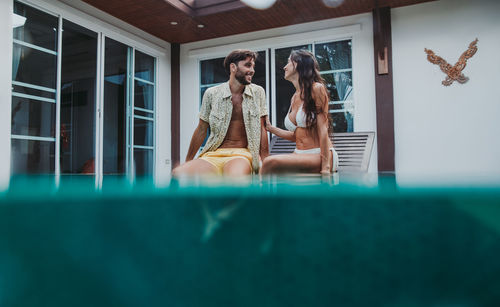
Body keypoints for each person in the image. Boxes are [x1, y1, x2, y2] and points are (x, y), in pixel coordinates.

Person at [172, 49, 269, 176]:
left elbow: (262, 128)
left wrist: (265, 162)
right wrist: (188, 161)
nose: (252, 70)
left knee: (235, 181)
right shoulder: (211, 93)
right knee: (178, 173)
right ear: (233, 67)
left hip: (241, 155)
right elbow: (201, 129)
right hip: (213, 154)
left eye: (253, 66)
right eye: (247, 65)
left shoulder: (258, 92)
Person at [261, 49, 338, 175]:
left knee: (270, 163)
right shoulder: (294, 97)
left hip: (319, 154)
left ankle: (258, 195)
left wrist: (325, 167)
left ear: (297, 64)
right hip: (299, 153)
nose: (285, 67)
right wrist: (270, 128)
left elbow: (323, 130)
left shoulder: (316, 89)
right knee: (265, 165)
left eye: (288, 63)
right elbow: (297, 136)